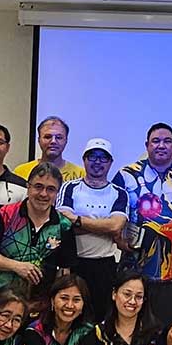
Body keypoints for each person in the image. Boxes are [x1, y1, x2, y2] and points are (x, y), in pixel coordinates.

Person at [113, 122, 172, 328]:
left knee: (171, 333)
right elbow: (112, 213)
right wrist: (118, 239)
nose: (161, 145)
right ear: (147, 145)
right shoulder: (127, 175)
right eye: (156, 141)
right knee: (135, 329)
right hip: (135, 270)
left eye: (167, 141)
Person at [0, 162, 76, 307]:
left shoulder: (64, 226)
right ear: (28, 187)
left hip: (40, 306)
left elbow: (64, 271)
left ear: (57, 193)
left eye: (51, 189)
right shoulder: (6, 215)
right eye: (38, 186)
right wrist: (16, 266)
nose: (43, 194)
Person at [57, 138, 128, 322]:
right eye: (92, 157)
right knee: (72, 318)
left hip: (105, 266)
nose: (97, 162)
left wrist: (78, 221)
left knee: (103, 319)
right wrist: (103, 227)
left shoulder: (119, 193)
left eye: (103, 158)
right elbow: (63, 224)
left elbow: (116, 226)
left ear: (111, 162)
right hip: (75, 265)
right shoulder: (70, 187)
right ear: (84, 159)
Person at [13, 116, 84, 183]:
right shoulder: (21, 172)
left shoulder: (81, 174)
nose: (53, 141)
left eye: (59, 137)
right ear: (39, 140)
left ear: (66, 141)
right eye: (47, 137)